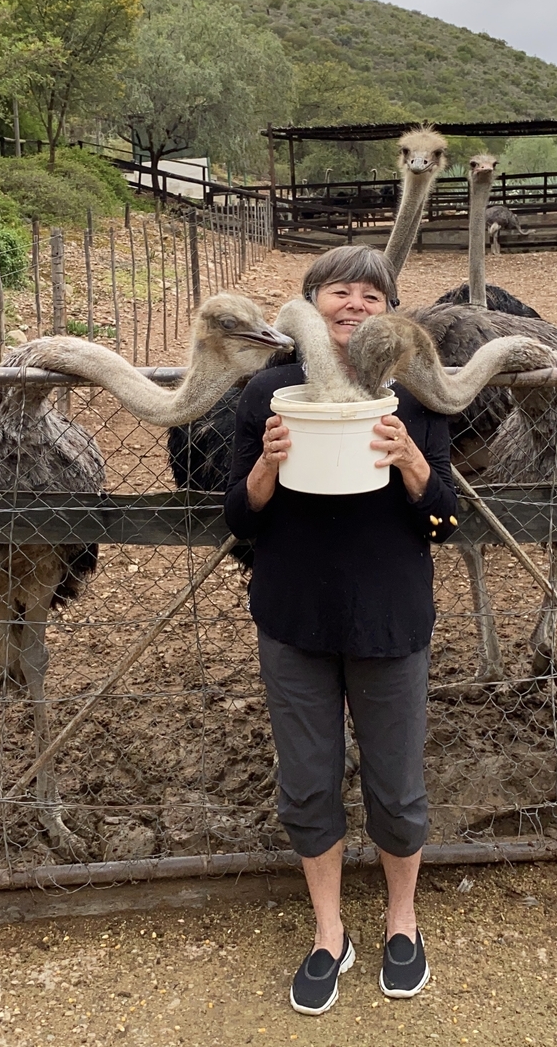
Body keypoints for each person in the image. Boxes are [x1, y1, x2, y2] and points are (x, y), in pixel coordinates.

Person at [224, 246, 458, 1016]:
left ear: (388, 310)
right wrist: (267, 465)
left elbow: (444, 520)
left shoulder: (415, 395)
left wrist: (413, 463)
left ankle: (401, 922)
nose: (353, 304)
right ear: (311, 305)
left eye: (369, 294)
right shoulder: (268, 391)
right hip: (294, 618)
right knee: (307, 783)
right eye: (336, 292)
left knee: (396, 786)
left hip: (390, 618)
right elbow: (237, 514)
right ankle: (330, 935)